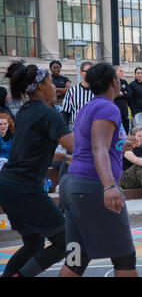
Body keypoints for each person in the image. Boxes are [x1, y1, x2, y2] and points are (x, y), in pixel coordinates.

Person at [58, 62, 137, 277]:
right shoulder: (107, 107)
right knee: (125, 258)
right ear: (113, 81)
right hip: (92, 186)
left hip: (73, 185)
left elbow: (91, 142)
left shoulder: (88, 107)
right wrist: (109, 186)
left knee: (76, 258)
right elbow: (98, 147)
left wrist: (122, 143)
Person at [0, 61, 74, 277]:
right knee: (65, 241)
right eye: (51, 82)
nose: (54, 87)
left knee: (33, 245)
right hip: (25, 190)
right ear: (41, 86)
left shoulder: (24, 111)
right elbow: (79, 146)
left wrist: (65, 156)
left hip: (8, 186)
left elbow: (33, 150)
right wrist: (110, 142)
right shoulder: (49, 114)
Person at [61, 61, 94, 131]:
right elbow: (65, 115)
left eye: (93, 71)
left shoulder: (99, 91)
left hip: (94, 134)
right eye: (87, 71)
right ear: (81, 73)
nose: (90, 73)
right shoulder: (72, 91)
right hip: (76, 133)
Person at [113, 66, 130, 135]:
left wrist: (122, 94)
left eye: (122, 71)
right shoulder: (111, 82)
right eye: (120, 71)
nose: (122, 73)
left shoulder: (124, 82)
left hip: (124, 108)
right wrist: (118, 93)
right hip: (115, 107)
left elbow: (129, 94)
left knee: (126, 125)